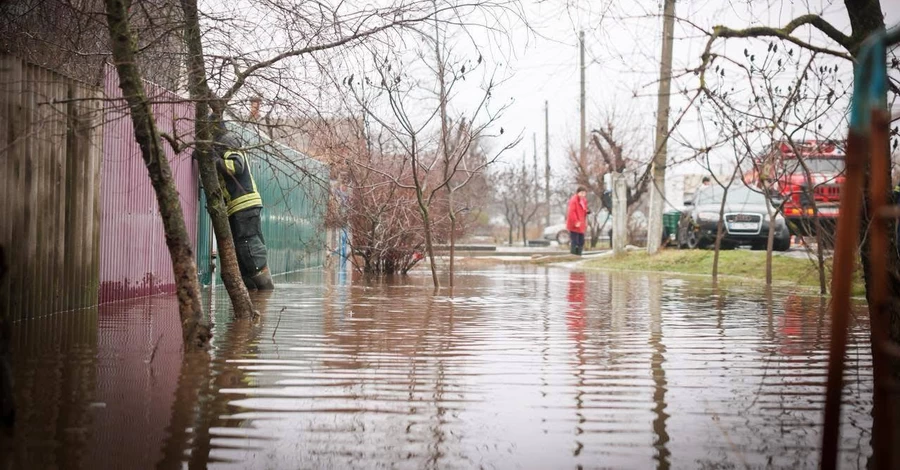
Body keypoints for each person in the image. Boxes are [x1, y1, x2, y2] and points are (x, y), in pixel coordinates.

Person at [213, 127, 275, 290]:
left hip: (244, 204)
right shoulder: (219, 145)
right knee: (243, 253)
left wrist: (214, 161)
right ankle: (256, 295)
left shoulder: (227, 141)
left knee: (249, 249)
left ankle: (264, 290)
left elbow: (237, 166)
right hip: (238, 207)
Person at [566, 186, 589, 255]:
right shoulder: (574, 200)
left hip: (581, 223)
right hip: (575, 224)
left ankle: (579, 254)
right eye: (581, 193)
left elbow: (583, 209)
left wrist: (586, 211)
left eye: (584, 193)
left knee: (581, 241)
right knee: (575, 240)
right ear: (578, 193)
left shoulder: (583, 200)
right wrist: (575, 221)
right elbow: (572, 212)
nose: (583, 195)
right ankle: (573, 255)